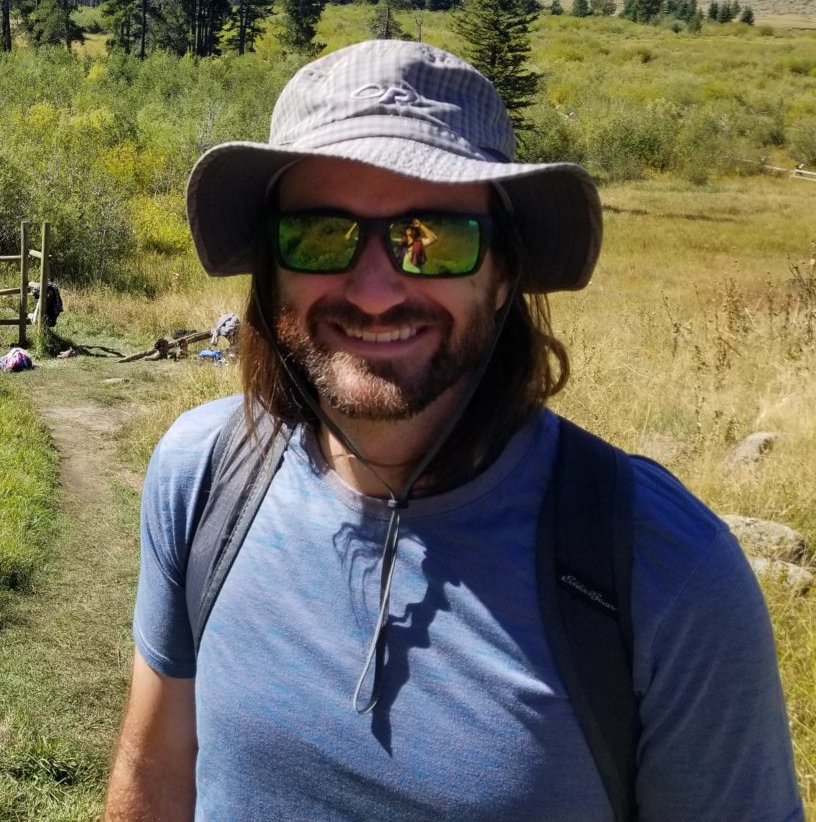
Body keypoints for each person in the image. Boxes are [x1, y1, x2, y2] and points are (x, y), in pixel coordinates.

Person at [105, 41, 801, 821]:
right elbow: (158, 764)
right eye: (323, 235)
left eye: (431, 237)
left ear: (503, 270)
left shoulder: (659, 571)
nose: (373, 292)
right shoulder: (205, 477)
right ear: (272, 269)